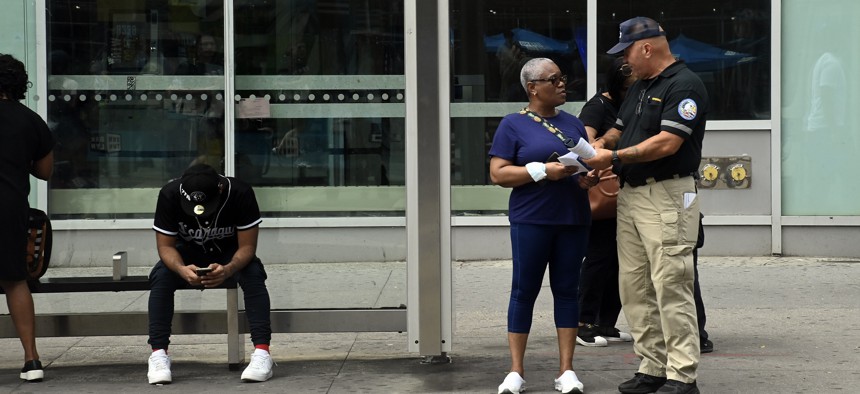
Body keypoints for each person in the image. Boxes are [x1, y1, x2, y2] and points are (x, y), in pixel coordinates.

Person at [583, 17, 708, 394]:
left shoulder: (685, 85)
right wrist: (595, 151)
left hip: (667, 195)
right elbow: (618, 129)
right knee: (635, 286)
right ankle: (652, 366)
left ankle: (682, 375)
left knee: (671, 284)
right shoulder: (640, 87)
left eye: (627, 53)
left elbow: (667, 143)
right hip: (633, 195)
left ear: (646, 47)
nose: (625, 62)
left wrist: (613, 157)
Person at [489, 57, 599, 394]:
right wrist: (541, 171)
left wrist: (586, 179)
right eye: (554, 79)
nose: (562, 84)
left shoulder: (574, 124)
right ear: (532, 87)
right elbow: (498, 173)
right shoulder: (513, 125)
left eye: (562, 78)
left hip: (572, 219)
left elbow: (583, 166)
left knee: (567, 292)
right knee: (524, 291)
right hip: (532, 220)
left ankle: (566, 371)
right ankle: (516, 372)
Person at [147, 164, 273, 384]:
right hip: (186, 254)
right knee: (161, 276)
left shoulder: (240, 192)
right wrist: (180, 269)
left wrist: (229, 269)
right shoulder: (169, 194)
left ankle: (262, 353)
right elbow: (165, 247)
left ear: (221, 189)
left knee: (253, 273)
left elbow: (248, 247)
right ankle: (158, 354)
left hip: (229, 253)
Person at [0, 53, 55, 382]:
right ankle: (32, 360)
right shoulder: (31, 120)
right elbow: (45, 171)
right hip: (10, 207)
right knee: (15, 280)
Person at [575, 57, 635, 347]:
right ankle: (583, 323)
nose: (631, 91)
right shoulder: (598, 106)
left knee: (620, 261)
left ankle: (606, 323)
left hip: (626, 194)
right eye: (626, 87)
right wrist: (600, 150)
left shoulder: (632, 102)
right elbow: (582, 145)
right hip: (603, 195)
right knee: (598, 259)